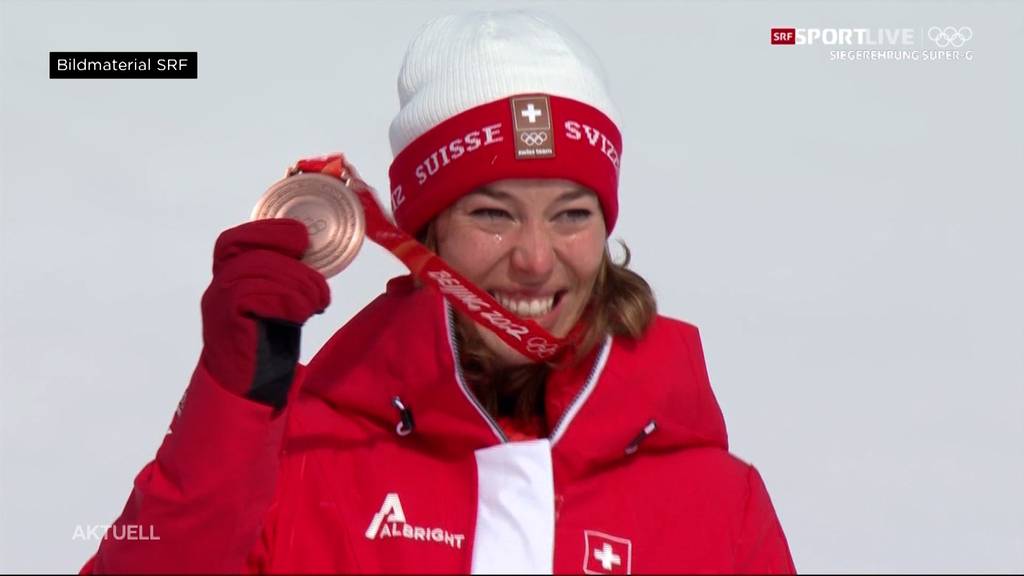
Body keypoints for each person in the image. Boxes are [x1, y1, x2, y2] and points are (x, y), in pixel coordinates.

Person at [81, 10, 795, 574]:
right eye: (491, 214)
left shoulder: (719, 501)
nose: (536, 259)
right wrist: (230, 408)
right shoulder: (298, 460)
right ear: (423, 238)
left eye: (572, 215)